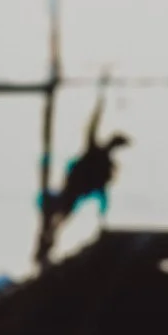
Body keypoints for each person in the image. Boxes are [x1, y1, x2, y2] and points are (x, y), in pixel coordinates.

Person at [37, 97, 129, 265]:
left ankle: (45, 247)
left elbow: (103, 189)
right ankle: (44, 247)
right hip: (74, 189)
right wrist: (100, 103)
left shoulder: (107, 164)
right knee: (59, 219)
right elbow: (91, 129)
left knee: (60, 219)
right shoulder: (97, 153)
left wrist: (103, 211)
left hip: (79, 191)